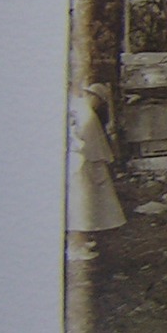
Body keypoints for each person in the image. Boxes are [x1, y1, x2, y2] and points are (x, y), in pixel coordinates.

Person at [66, 82, 125, 259]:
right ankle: (76, 245)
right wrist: (105, 157)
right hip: (83, 161)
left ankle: (81, 240)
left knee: (86, 204)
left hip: (84, 160)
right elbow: (90, 141)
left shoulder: (80, 109)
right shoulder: (84, 111)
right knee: (79, 206)